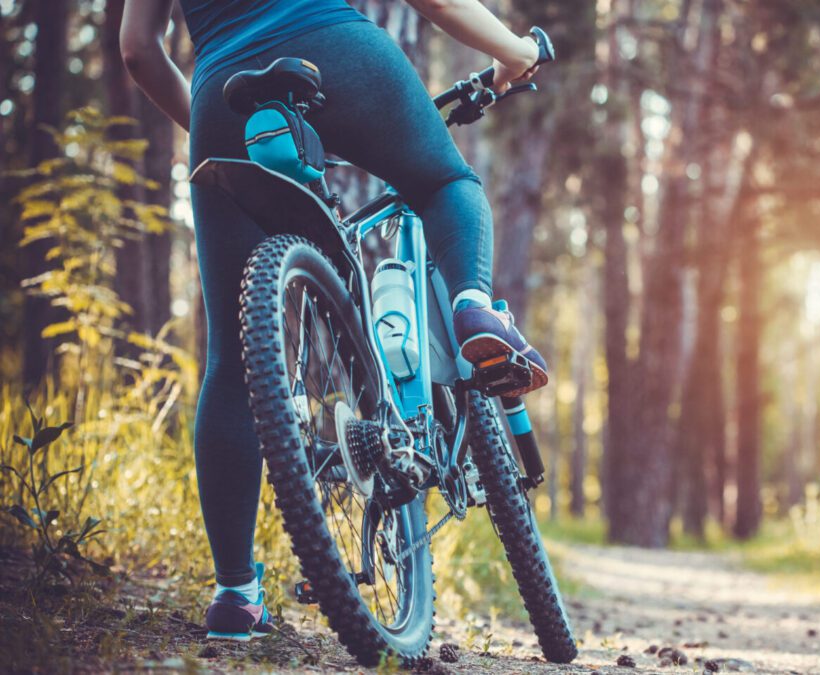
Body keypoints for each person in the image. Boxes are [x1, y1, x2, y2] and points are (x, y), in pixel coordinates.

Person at [120, 0, 549, 641]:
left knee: (232, 364)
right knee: (444, 183)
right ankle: (472, 308)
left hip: (222, 89)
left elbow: (137, 48)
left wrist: (214, 127)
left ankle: (235, 596)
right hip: (336, 48)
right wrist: (514, 51)